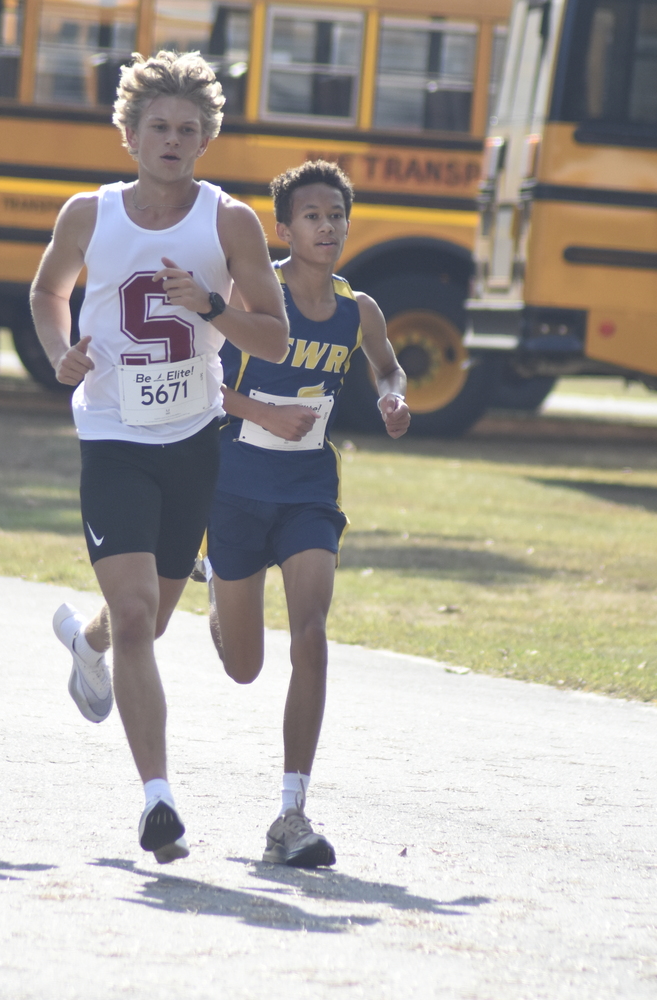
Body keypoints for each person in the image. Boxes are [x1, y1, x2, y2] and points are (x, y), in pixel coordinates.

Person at [31, 51, 290, 863]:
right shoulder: (89, 213)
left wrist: (211, 304)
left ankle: (88, 644)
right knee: (140, 613)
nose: (173, 141)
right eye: (159, 128)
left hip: (192, 440)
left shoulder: (228, 222)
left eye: (188, 129)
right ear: (130, 134)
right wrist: (60, 351)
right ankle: (158, 802)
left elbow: (275, 338)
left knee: (145, 617)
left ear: (206, 138)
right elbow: (47, 293)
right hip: (111, 436)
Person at [203, 161, 410, 867]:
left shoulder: (361, 310)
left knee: (313, 633)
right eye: (313, 217)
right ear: (284, 230)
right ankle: (217, 591)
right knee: (243, 668)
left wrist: (392, 396)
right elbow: (200, 381)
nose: (329, 227)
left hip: (309, 489)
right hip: (233, 484)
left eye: (338, 216)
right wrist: (262, 410)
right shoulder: (252, 296)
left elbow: (386, 364)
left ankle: (292, 813)